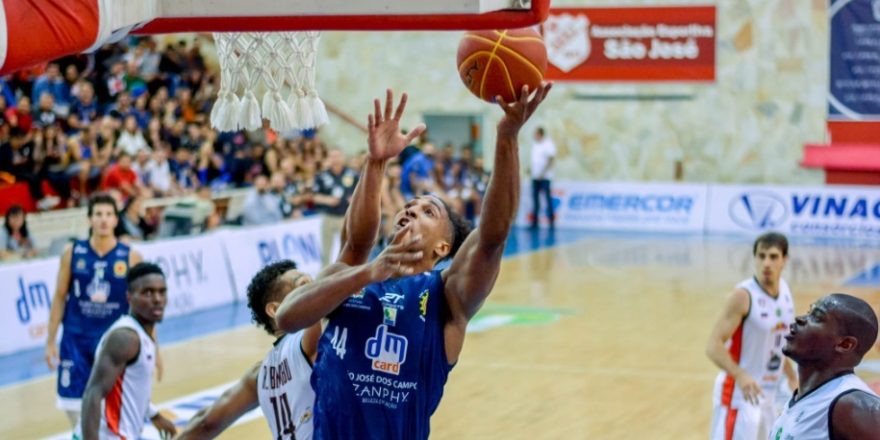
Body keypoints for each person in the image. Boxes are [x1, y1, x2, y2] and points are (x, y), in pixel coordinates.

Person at [275, 84, 552, 438]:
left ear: (442, 248)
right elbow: (287, 316)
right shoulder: (350, 275)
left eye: (428, 211)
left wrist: (507, 137)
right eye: (410, 205)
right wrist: (376, 162)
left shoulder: (447, 296)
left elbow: (492, 238)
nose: (410, 209)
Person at [45, 193, 143, 427]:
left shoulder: (130, 256)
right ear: (89, 219)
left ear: (116, 221)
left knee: (114, 406)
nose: (103, 220)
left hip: (112, 341)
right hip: (75, 339)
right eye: (98, 214)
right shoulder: (73, 253)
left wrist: (151, 345)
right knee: (72, 404)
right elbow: (59, 297)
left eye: (108, 215)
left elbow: (141, 308)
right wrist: (50, 341)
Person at [706, 232, 798, 440]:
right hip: (739, 397)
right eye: (761, 256)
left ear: (784, 260)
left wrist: (792, 377)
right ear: (754, 258)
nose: (766, 263)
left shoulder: (784, 291)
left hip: (768, 396)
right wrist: (740, 375)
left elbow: (778, 343)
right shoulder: (742, 296)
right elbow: (713, 346)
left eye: (773, 257)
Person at [77, 262, 176, 440]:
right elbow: (92, 394)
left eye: (162, 292)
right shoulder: (125, 338)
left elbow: (134, 385)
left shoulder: (143, 332)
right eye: (148, 292)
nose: (157, 299)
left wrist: (154, 415)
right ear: (129, 297)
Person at [771, 293, 880, 439]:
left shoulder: (853, 406)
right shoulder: (804, 398)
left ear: (845, 344)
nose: (800, 319)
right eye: (809, 313)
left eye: (816, 317)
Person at [313, 148, 359, 266]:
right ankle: (325, 274)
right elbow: (314, 196)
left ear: (343, 157)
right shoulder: (322, 176)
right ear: (328, 158)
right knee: (326, 248)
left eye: (337, 156)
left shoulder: (352, 174)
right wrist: (326, 200)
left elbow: (362, 192)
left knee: (349, 247)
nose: (335, 159)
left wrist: (354, 198)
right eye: (332, 156)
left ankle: (349, 270)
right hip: (329, 216)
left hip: (346, 217)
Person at [529, 126, 556, 229]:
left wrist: (542, 173)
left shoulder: (548, 144)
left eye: (536, 134)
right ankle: (535, 222)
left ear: (540, 134)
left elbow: (551, 160)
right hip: (535, 177)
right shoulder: (535, 145)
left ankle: (551, 221)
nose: (534, 136)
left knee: (547, 198)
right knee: (535, 199)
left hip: (545, 177)